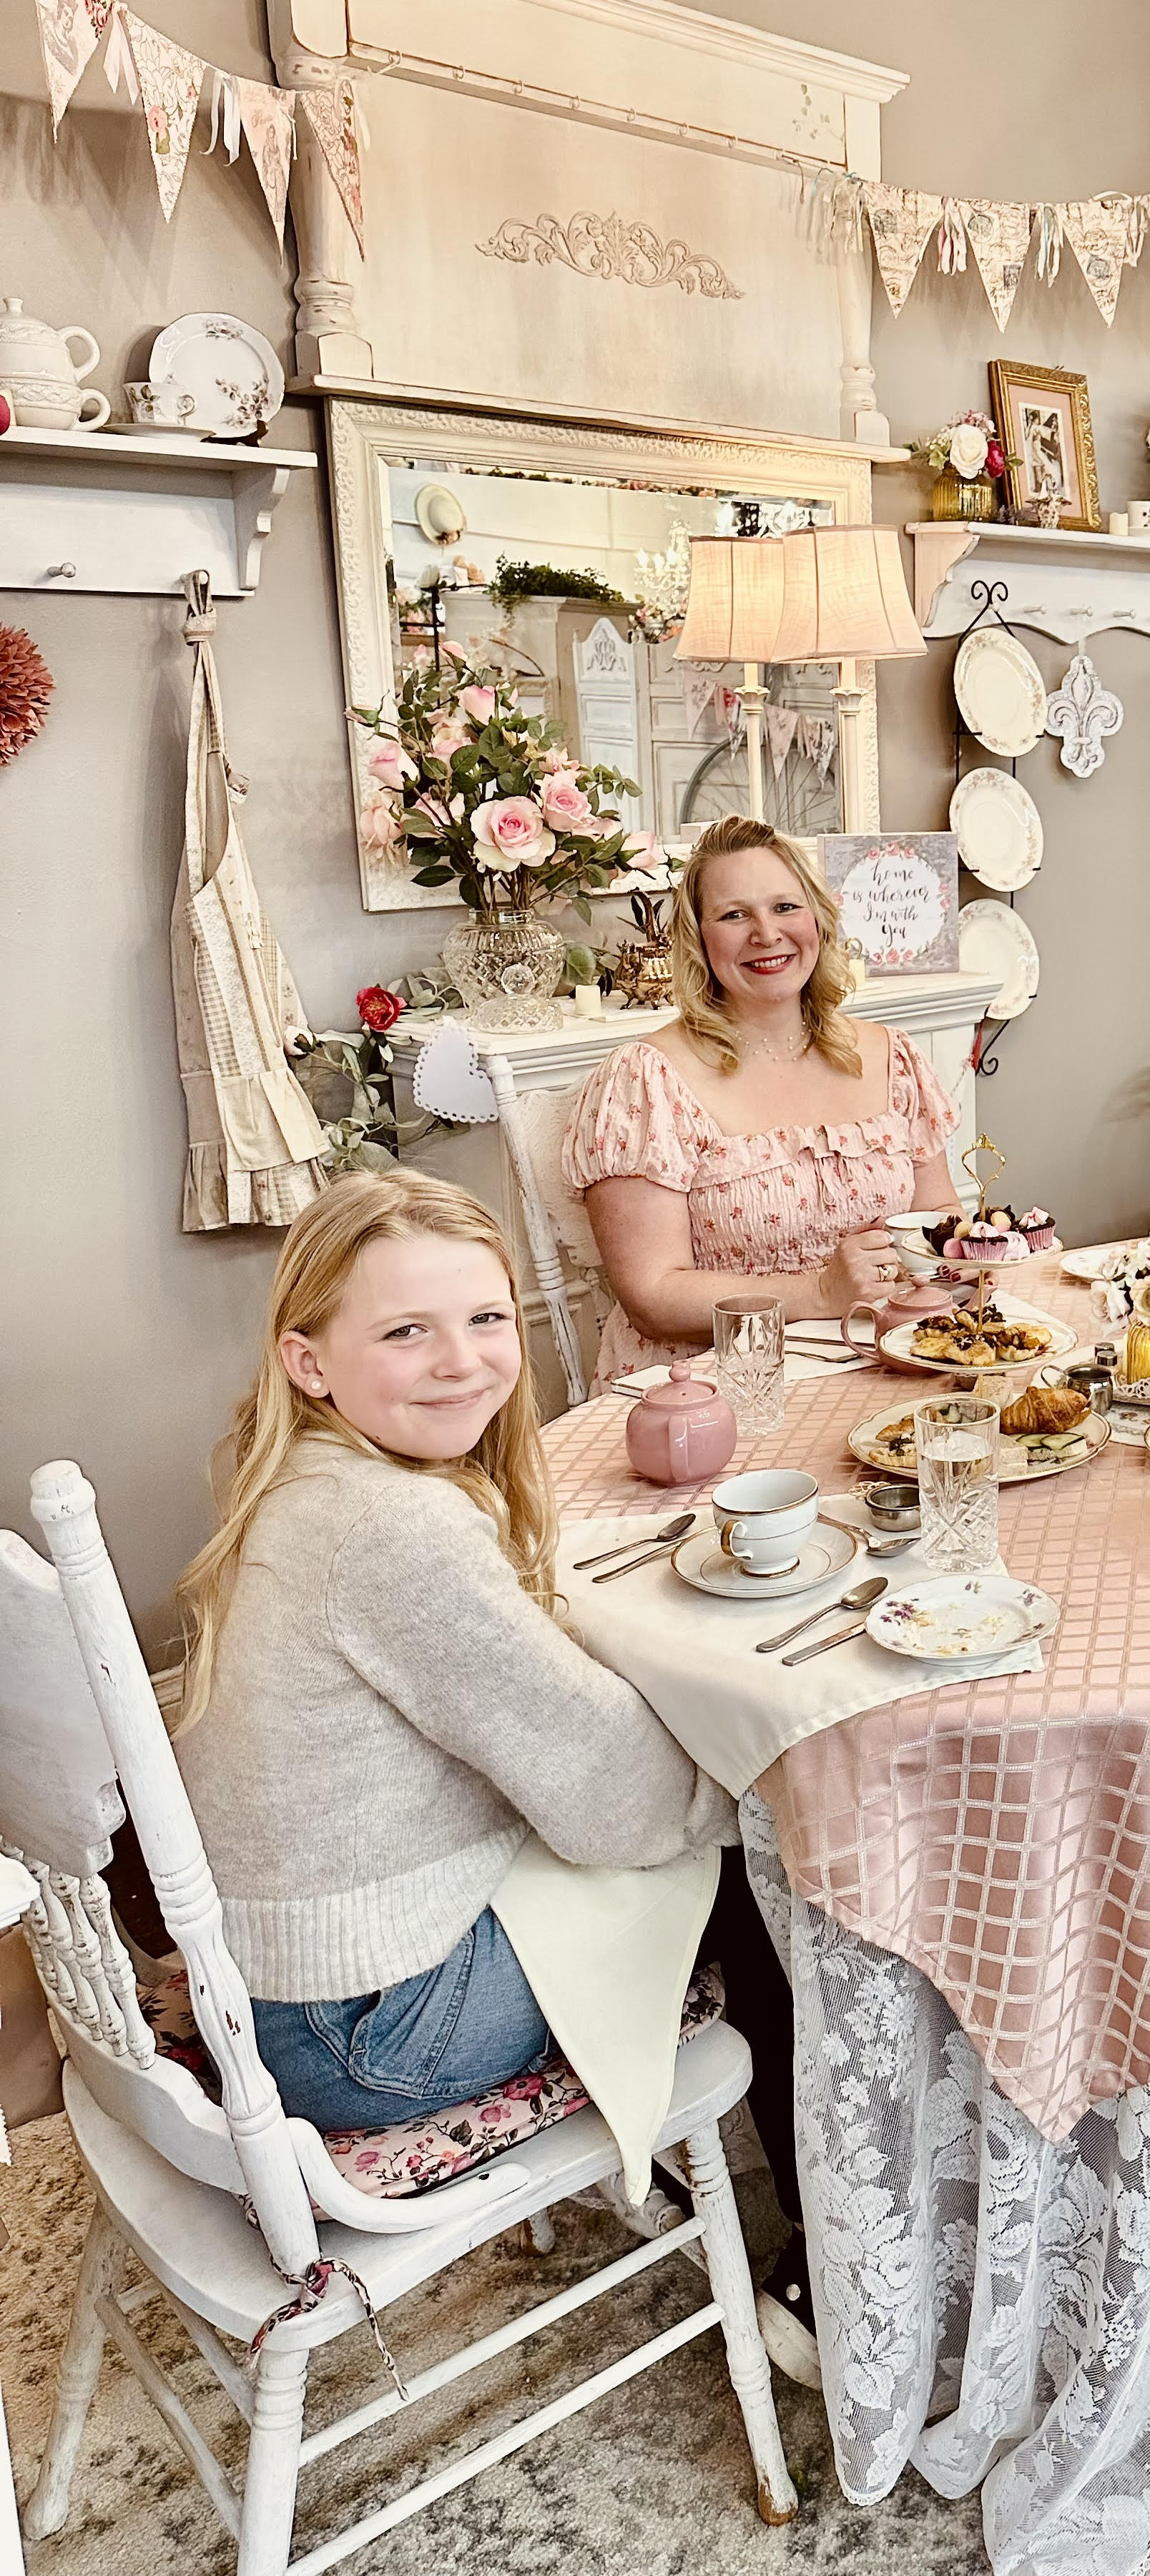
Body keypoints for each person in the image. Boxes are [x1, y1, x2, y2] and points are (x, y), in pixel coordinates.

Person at [174, 1169, 820, 2384]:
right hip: (369, 2037)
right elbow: (618, 1804)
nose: (463, 1362)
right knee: (756, 1870)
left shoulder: (305, 1480)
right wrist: (737, 1774)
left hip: (282, 1982)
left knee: (687, 1825)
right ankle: (834, 2260)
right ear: (309, 1362)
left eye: (485, 1319)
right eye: (405, 1330)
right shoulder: (393, 1529)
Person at [568, 815, 961, 1377]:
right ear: (700, 939)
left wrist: (966, 1258)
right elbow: (651, 1299)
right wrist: (820, 1293)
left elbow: (939, 1215)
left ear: (819, 921)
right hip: (713, 1381)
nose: (767, 934)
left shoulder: (892, 1056)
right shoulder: (646, 1080)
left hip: (888, 1353)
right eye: (734, 915)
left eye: (785, 907)